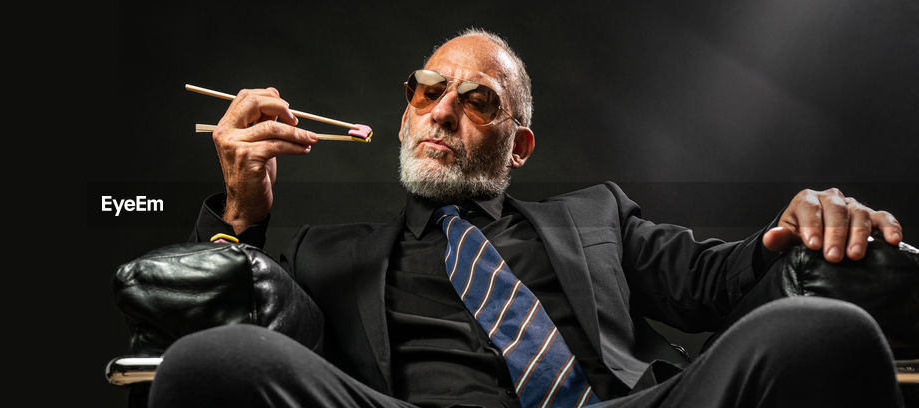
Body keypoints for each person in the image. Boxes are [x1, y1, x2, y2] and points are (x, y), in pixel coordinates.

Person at [150, 28, 906, 407]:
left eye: (479, 101)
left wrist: (808, 220)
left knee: (822, 332)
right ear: (407, 112)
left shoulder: (597, 219)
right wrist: (242, 215)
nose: (443, 110)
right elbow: (221, 310)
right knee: (211, 362)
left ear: (519, 147)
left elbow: (724, 277)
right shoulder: (322, 254)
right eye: (427, 90)